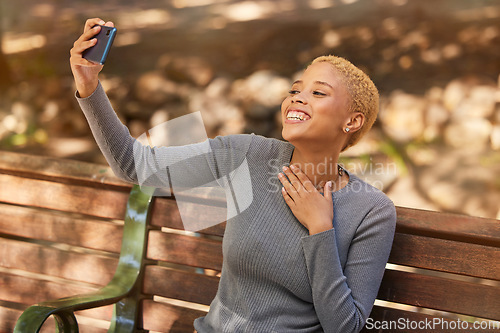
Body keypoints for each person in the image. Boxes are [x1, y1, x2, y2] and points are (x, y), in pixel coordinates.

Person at [70, 18, 396, 333]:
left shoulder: (371, 211)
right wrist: (89, 86)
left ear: (352, 122)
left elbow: (345, 326)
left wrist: (321, 229)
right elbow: (135, 164)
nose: (297, 97)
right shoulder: (246, 154)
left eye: (318, 93)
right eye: (295, 90)